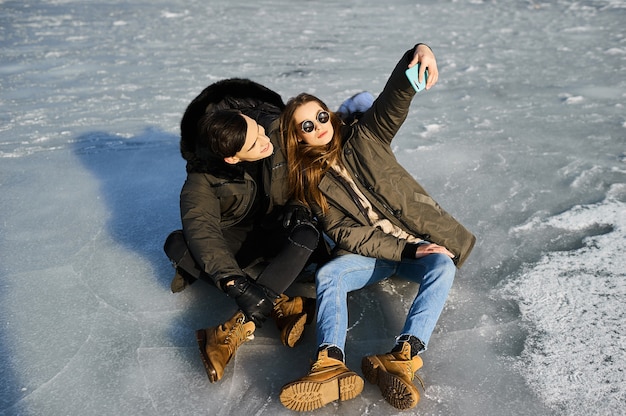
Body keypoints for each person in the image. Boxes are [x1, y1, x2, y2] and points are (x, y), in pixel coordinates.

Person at [277, 43, 476, 411]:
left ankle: (404, 356)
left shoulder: (366, 136)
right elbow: (346, 234)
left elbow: (394, 99)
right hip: (376, 255)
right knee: (331, 275)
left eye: (321, 116)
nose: (319, 127)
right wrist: (406, 250)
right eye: (307, 125)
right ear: (298, 138)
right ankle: (329, 364)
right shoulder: (308, 184)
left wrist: (418, 53)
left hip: (422, 241)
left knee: (442, 266)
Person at [164, 78, 327, 384]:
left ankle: (234, 327)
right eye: (255, 143)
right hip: (235, 241)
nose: (266, 141)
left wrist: (298, 205)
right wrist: (234, 283)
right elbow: (203, 230)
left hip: (274, 231)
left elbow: (305, 176)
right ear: (232, 157)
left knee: (307, 233)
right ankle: (277, 302)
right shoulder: (200, 182)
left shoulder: (275, 137)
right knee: (178, 244)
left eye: (260, 131)